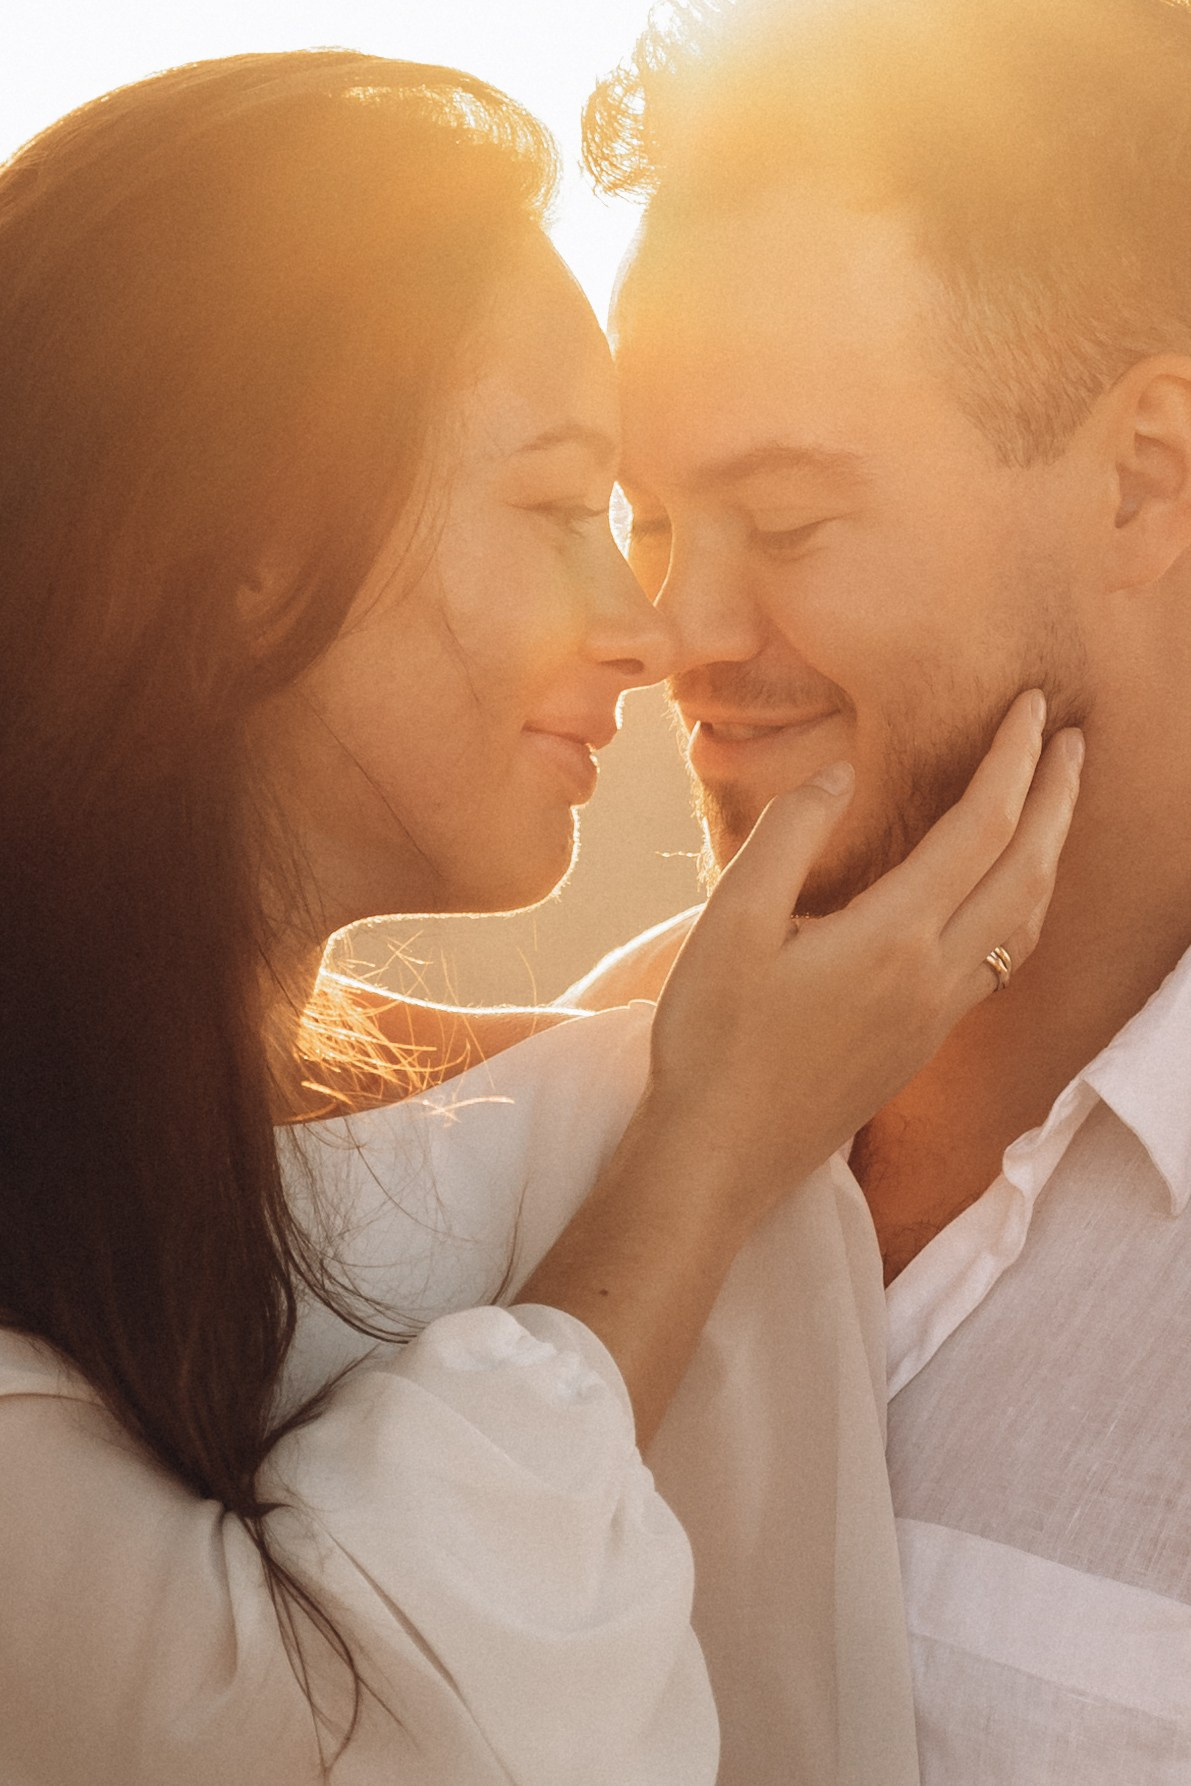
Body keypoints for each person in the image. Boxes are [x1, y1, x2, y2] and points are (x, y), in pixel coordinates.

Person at [0, 46, 1080, 1786]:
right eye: (569, 510)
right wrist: (704, 1152)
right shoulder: (667, 1122)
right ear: (254, 550)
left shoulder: (547, 1108)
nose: (653, 630)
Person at [560, 0, 1191, 1778]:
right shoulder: (558, 1104)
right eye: (648, 516)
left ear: (1146, 476)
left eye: (791, 516)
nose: (675, 629)